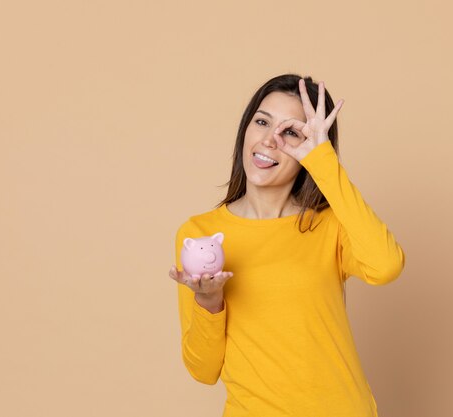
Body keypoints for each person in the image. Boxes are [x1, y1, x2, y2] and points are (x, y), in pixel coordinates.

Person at [168, 73, 405, 416]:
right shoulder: (201, 234)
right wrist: (209, 303)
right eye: (262, 121)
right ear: (245, 130)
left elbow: (386, 266)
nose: (269, 140)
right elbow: (203, 371)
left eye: (291, 132)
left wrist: (323, 161)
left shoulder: (328, 225)